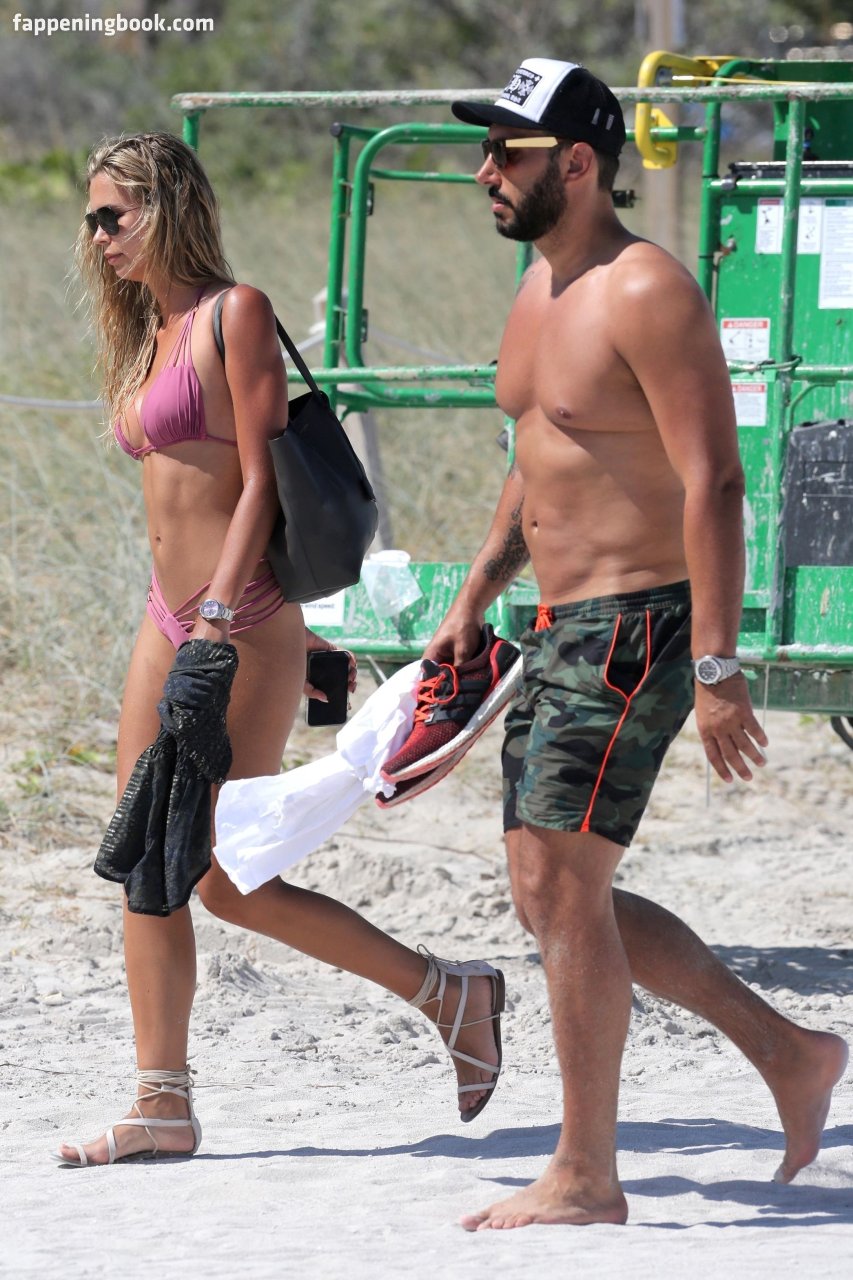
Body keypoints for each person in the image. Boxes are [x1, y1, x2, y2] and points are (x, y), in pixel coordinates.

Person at [423, 59, 848, 1228]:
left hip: (638, 621)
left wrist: (717, 665)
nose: (483, 171)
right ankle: (790, 1051)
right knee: (549, 892)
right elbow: (539, 452)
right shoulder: (538, 285)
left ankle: (584, 1172)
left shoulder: (646, 288)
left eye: (505, 152)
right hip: (555, 620)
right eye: (485, 149)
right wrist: (477, 587)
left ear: (576, 162)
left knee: (561, 884)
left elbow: (715, 479)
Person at [56, 131, 504, 1167]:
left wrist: (217, 615)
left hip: (241, 618)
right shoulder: (149, 328)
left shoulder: (235, 312)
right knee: (145, 853)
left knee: (222, 872)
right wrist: (183, 615)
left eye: (112, 214)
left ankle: (448, 993)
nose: (98, 235)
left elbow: (261, 478)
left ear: (166, 205)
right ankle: (161, 1101)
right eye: (91, 218)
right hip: (164, 615)